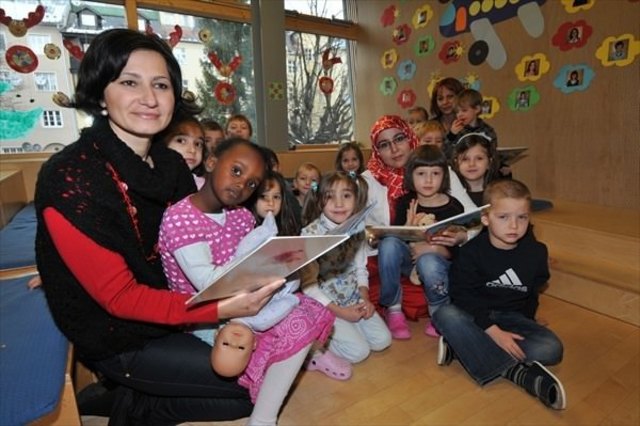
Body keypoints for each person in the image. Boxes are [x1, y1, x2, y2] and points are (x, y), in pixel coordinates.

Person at [34, 28, 291, 424]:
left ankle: (125, 392)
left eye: (161, 84)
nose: (150, 99)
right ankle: (133, 402)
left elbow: (200, 236)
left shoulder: (171, 165)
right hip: (119, 334)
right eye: (129, 82)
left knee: (266, 372)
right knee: (248, 388)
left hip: (177, 307)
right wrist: (219, 307)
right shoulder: (71, 176)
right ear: (101, 91)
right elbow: (120, 299)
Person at [158, 138, 335, 421]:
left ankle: (264, 415)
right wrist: (267, 272)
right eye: (237, 171)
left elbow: (251, 255)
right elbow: (209, 282)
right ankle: (270, 393)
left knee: (302, 309)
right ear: (212, 162)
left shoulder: (240, 215)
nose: (242, 186)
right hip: (205, 313)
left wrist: (284, 262)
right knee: (256, 340)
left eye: (252, 184)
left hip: (245, 296)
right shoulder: (181, 218)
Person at [432, 179, 566, 410]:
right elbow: (462, 296)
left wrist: (528, 321)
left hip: (513, 318)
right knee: (445, 314)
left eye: (521, 217)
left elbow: (533, 291)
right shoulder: (471, 253)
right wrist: (493, 331)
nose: (513, 226)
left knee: (552, 349)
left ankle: (463, 346)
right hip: (476, 316)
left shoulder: (537, 252)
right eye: (503, 217)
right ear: (485, 218)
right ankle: (517, 374)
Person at [363, 115, 475, 338]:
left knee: (430, 272)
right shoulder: (367, 181)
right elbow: (361, 235)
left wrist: (459, 237)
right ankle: (394, 310)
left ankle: (438, 313)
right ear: (376, 151)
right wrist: (400, 232)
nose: (394, 149)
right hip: (392, 260)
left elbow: (473, 220)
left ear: (411, 137)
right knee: (390, 250)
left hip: (435, 258)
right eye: (384, 145)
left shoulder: (440, 170)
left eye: (399, 139)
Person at [301, 171, 392, 378]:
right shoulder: (309, 235)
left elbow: (361, 267)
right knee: (359, 352)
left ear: (356, 198)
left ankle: (351, 330)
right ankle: (314, 350)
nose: (339, 203)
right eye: (330, 196)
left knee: (382, 342)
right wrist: (340, 313)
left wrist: (365, 298)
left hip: (354, 299)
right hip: (326, 306)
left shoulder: (358, 226)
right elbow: (309, 286)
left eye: (346, 195)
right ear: (320, 200)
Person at [378, 146, 465, 338]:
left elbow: (458, 252)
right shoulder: (404, 202)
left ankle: (440, 314)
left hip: (438, 265)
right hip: (410, 261)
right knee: (388, 243)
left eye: (435, 173)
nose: (428, 180)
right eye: (421, 173)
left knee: (428, 260)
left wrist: (434, 249)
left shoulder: (453, 206)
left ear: (444, 176)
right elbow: (396, 242)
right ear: (410, 175)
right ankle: (393, 308)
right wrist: (407, 229)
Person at [445, 89, 498, 160]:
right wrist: (452, 135)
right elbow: (446, 154)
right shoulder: (457, 130)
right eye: (457, 112)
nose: (460, 115)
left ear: (477, 109)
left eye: (464, 110)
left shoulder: (487, 130)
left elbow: (493, 154)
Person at [157, 115, 206, 188]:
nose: (192, 150)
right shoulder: (148, 180)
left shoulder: (202, 188)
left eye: (197, 144)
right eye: (181, 141)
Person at [452, 133, 499, 207]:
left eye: (479, 158)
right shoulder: (451, 197)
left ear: (490, 162)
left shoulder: (499, 195)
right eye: (465, 159)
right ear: (456, 163)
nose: (471, 164)